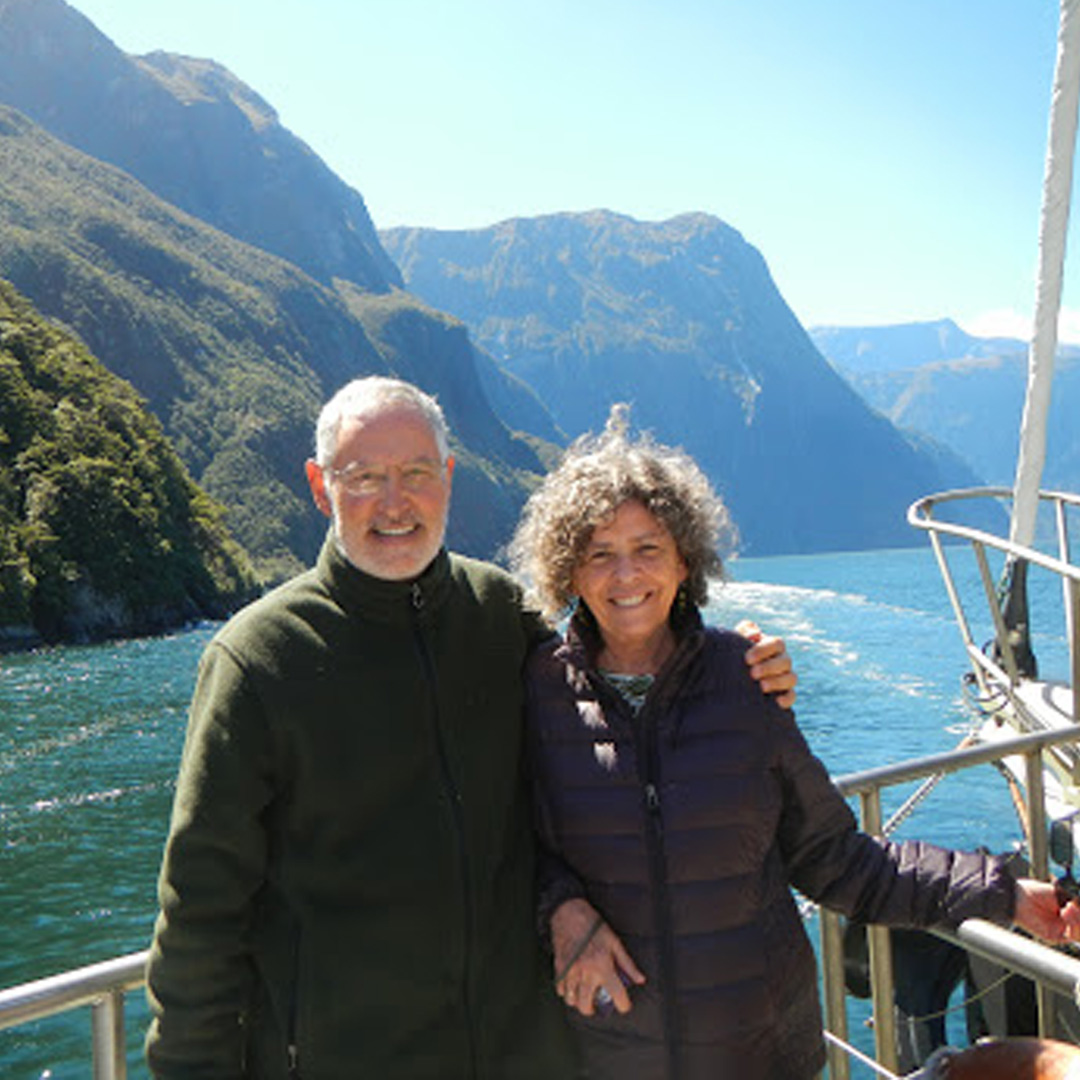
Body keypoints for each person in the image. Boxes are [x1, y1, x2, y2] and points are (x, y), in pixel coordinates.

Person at [144, 376, 797, 1079]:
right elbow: (199, 919)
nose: (395, 503)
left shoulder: (501, 614)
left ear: (449, 478)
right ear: (319, 486)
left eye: (417, 473)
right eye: (364, 477)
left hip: (527, 1056)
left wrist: (735, 664)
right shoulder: (258, 660)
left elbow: (626, 656)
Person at [508, 405, 1080, 1080]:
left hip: (763, 1056)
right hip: (606, 1059)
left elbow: (836, 859)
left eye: (648, 549)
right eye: (600, 554)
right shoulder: (537, 693)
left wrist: (1002, 892)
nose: (625, 576)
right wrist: (561, 908)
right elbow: (512, 846)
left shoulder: (746, 682)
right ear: (568, 573)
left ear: (686, 560)